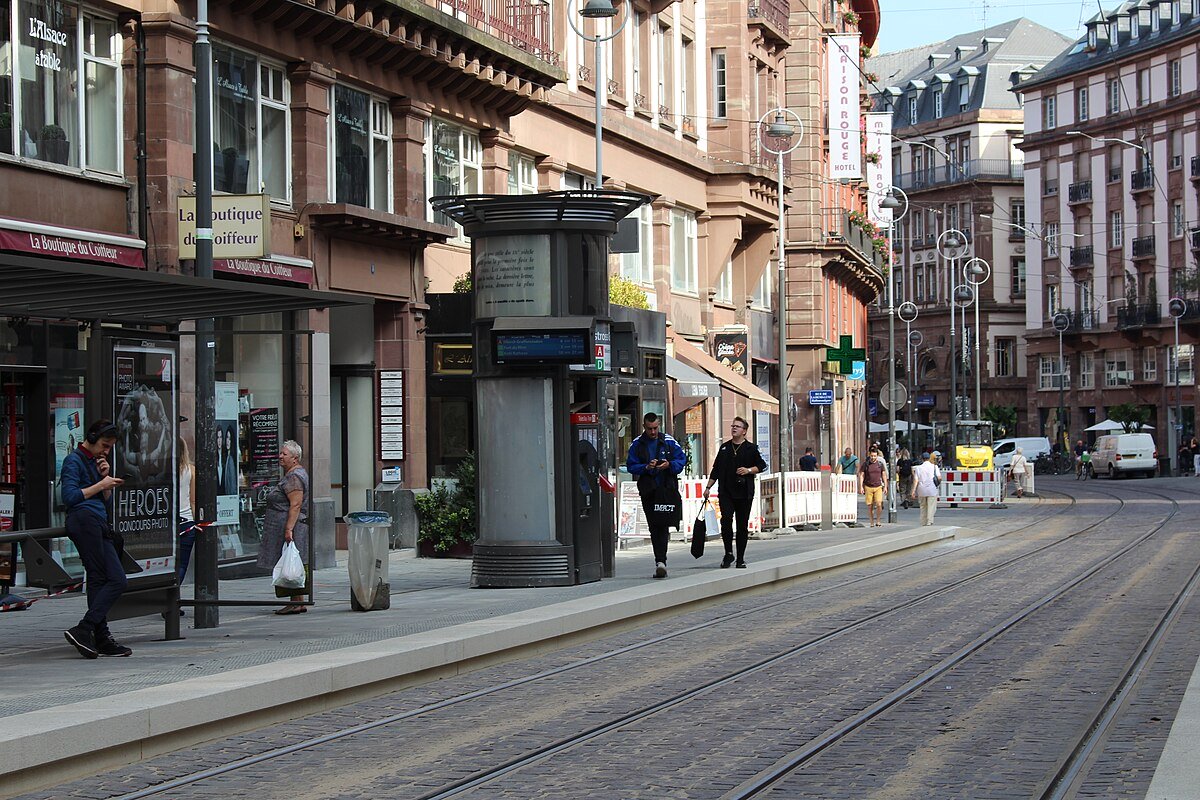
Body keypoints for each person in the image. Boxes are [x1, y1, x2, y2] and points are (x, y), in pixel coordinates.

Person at [61, 420, 130, 658]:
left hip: (97, 522)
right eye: (104, 445)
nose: (106, 451)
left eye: (110, 447)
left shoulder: (95, 462)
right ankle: (87, 630)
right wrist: (101, 484)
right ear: (90, 439)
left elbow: (105, 503)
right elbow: (69, 497)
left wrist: (106, 481)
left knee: (105, 579)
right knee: (111, 578)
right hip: (84, 521)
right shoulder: (74, 461)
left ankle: (96, 634)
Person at [626, 412, 686, 579]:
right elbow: (631, 465)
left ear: (659, 425)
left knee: (664, 523)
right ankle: (660, 561)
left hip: (666, 489)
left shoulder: (668, 441)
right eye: (649, 428)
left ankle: (662, 561)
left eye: (655, 428)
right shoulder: (637, 444)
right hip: (649, 491)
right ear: (644, 427)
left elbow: (682, 460)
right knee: (654, 525)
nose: (653, 432)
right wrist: (646, 467)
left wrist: (669, 465)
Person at [703, 417, 767, 568]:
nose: (734, 428)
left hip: (744, 493)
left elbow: (762, 466)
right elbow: (716, 469)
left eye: (737, 426)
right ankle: (728, 553)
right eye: (733, 426)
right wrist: (708, 487)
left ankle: (741, 558)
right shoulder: (724, 448)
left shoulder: (752, 448)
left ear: (744, 431)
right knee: (726, 520)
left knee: (742, 525)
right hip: (726, 491)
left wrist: (748, 470)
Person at [257, 440, 311, 614]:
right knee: (293, 562)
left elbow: (295, 505)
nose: (280, 456)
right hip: (291, 525)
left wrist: (288, 529)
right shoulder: (293, 474)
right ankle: (298, 601)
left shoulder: (294, 477)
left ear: (295, 458)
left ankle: (295, 602)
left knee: (291, 563)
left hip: (292, 527)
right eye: (280, 453)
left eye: (284, 454)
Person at [176, 435, 199, 587]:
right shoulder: (191, 470)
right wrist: (197, 522)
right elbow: (193, 500)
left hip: (169, 522)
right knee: (182, 563)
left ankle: (168, 597)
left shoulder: (162, 470)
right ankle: (174, 595)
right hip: (186, 521)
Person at [910, 451, 941, 526]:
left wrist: (913, 491)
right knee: (931, 506)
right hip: (932, 489)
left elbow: (916, 480)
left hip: (921, 490)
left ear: (922, 459)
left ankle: (923, 521)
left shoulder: (918, 468)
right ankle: (929, 521)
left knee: (923, 506)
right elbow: (939, 477)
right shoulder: (934, 467)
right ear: (929, 458)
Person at [859, 448, 888, 527]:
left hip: (878, 486)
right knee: (870, 505)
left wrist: (885, 486)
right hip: (868, 486)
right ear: (869, 455)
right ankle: (871, 522)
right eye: (871, 456)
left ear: (877, 456)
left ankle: (878, 521)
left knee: (879, 504)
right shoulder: (866, 464)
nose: (873, 457)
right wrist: (861, 486)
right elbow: (861, 475)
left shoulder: (880, 464)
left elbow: (884, 475)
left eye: (874, 456)